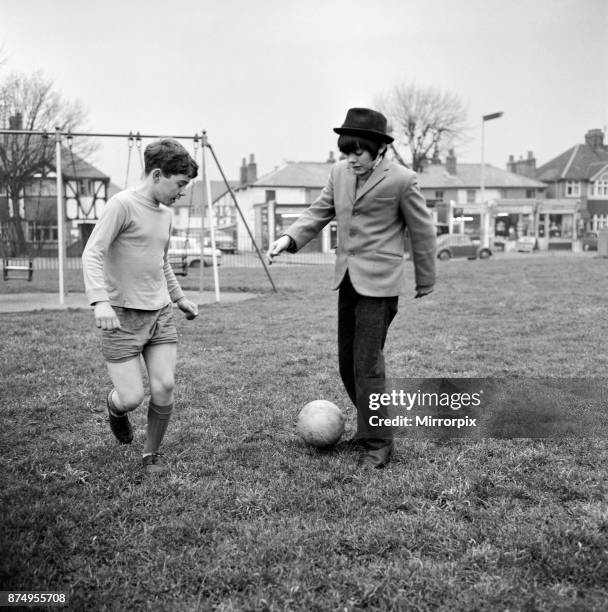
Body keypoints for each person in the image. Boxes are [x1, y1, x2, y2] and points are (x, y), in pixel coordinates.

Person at [267, 108, 436, 469]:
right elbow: (318, 211)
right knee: (348, 364)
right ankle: (376, 424)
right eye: (346, 151)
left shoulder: (403, 180)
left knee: (367, 365)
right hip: (347, 281)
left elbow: (422, 232)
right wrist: (288, 238)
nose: (351, 158)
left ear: (379, 149)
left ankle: (378, 444)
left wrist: (426, 279)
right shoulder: (339, 173)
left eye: (358, 151)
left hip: (380, 286)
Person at [82, 138, 199, 475]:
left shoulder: (167, 215)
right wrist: (100, 301)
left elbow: (160, 262)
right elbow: (93, 253)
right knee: (131, 397)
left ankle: (151, 454)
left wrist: (179, 299)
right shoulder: (121, 206)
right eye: (179, 184)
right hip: (120, 316)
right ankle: (115, 407)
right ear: (158, 175)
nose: (182, 192)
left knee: (164, 385)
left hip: (159, 313)